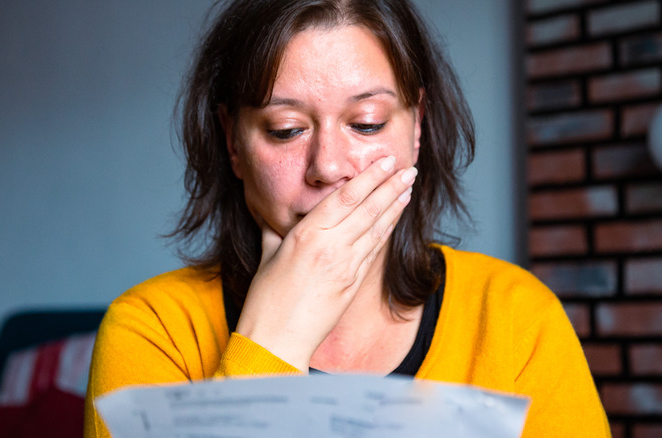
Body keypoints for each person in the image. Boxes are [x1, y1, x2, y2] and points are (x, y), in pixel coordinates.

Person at [85, 0, 610, 436]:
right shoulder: (152, 330)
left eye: (366, 123)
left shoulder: (516, 319)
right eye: (286, 129)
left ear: (416, 127)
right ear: (232, 141)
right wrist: (273, 341)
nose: (328, 167)